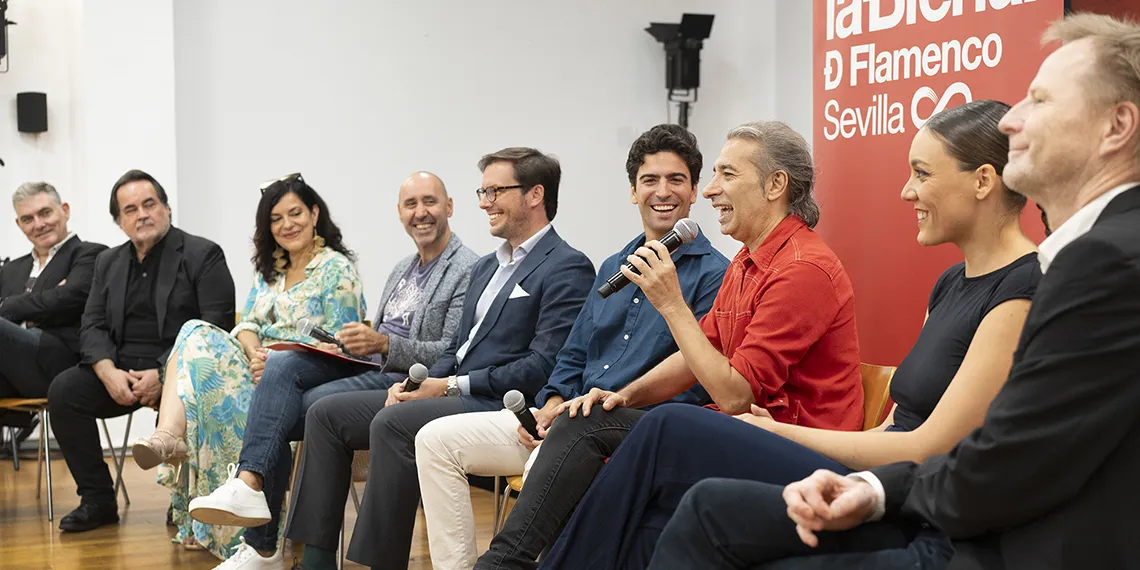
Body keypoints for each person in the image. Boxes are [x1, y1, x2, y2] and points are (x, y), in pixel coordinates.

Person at [648, 13, 1140, 570]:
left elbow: (996, 459)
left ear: (1116, 126)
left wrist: (871, 487)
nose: (1012, 121)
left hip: (977, 538)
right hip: (933, 499)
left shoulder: (1099, 263)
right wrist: (876, 489)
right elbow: (1000, 448)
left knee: (679, 448)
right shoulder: (1059, 263)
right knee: (702, 504)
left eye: (1041, 101)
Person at [540, 100, 1040, 570]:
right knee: (647, 515)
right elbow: (894, 428)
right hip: (870, 469)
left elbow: (927, 446)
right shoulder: (950, 283)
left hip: (902, 493)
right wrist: (625, 394)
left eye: (922, 174)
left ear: (982, 181)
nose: (907, 191)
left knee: (667, 426)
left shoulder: (1019, 290)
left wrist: (779, 431)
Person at [475, 121, 865, 570]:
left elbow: (735, 395)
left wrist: (671, 304)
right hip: (740, 430)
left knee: (621, 425)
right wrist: (624, 396)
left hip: (799, 450)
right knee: (603, 436)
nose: (712, 190)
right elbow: (696, 357)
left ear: (776, 184)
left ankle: (502, 564)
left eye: (727, 175)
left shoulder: (802, 268)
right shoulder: (748, 260)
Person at [215, 147, 594, 570]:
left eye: (495, 191)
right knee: (324, 415)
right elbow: (456, 349)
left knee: (391, 422)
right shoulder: (488, 267)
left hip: (501, 402)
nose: (484, 202)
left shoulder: (567, 266)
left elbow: (543, 365)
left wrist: (445, 384)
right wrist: (416, 386)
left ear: (535, 194)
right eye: (482, 192)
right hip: (449, 388)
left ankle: (380, 564)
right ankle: (315, 563)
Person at [414, 125, 729, 570]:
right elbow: (573, 353)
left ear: (694, 191)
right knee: (434, 441)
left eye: (676, 180)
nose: (663, 191)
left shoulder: (716, 275)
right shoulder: (614, 266)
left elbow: (697, 377)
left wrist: (589, 407)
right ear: (633, 192)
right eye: (649, 180)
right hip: (567, 414)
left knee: (561, 446)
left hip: (631, 425)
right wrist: (552, 403)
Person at [187, 171, 478, 567]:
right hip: (370, 367)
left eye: (429, 201)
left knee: (288, 404)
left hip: (404, 379)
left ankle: (269, 532)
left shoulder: (467, 268)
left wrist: (383, 344)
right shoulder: (403, 268)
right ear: (399, 212)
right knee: (281, 387)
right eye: (411, 204)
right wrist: (352, 344)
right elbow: (368, 339)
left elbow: (453, 350)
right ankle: (262, 529)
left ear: (450, 207)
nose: (420, 212)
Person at [128, 174, 364, 560]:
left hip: (304, 376)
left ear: (314, 214)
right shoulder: (269, 271)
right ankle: (168, 435)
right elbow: (248, 324)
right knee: (193, 331)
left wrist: (279, 358)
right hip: (258, 367)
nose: (286, 225)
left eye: (295, 213)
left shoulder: (336, 269)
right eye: (276, 218)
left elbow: (341, 344)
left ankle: (250, 530)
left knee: (223, 371)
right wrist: (256, 353)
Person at [47, 169, 236, 533]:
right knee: (64, 391)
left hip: (181, 369)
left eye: (149, 204)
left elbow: (216, 325)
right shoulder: (108, 262)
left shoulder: (202, 254)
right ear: (120, 222)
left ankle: (184, 500)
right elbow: (92, 324)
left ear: (166, 208)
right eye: (130, 210)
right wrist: (107, 372)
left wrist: (164, 374)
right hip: (121, 371)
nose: (142, 215)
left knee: (191, 387)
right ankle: (98, 500)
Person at [0, 183, 106, 439]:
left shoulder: (92, 254)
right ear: (19, 224)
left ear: (65, 211)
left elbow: (67, 299)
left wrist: (7, 305)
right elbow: (53, 302)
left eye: (45, 213)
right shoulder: (11, 270)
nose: (38, 224)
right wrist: (44, 302)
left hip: (59, 365)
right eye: (28, 219)